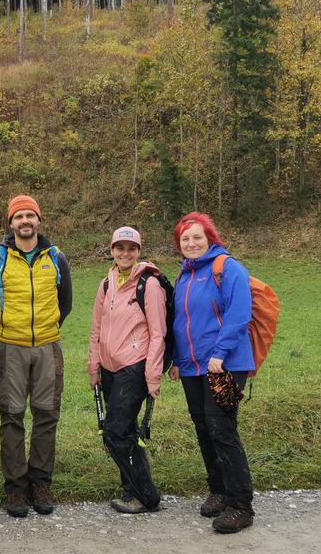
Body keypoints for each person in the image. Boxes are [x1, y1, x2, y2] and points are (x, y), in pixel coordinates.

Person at [0, 195, 72, 517]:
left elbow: (67, 303)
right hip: (10, 350)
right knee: (12, 416)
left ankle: (40, 483)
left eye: (30, 215)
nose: (25, 221)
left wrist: (45, 330)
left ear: (39, 220)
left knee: (46, 416)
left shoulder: (56, 258)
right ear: (11, 223)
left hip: (48, 347)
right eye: (19, 217)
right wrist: (6, 333)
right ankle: (16, 488)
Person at [170, 212, 256, 534]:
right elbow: (182, 322)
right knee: (204, 428)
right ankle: (219, 491)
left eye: (197, 237)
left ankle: (241, 505)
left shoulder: (228, 268)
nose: (191, 243)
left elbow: (239, 314)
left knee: (222, 429)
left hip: (225, 364)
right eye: (185, 239)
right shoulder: (185, 275)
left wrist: (220, 353)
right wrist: (177, 360)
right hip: (193, 368)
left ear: (210, 239)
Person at [87, 226, 164, 515]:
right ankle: (131, 490)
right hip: (108, 368)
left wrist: (153, 375)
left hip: (135, 367)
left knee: (115, 432)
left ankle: (147, 496)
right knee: (127, 432)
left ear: (139, 251)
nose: (125, 253)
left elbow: (158, 333)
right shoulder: (106, 284)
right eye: (120, 248)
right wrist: (92, 365)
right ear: (112, 250)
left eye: (131, 248)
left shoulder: (149, 285)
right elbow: (96, 328)